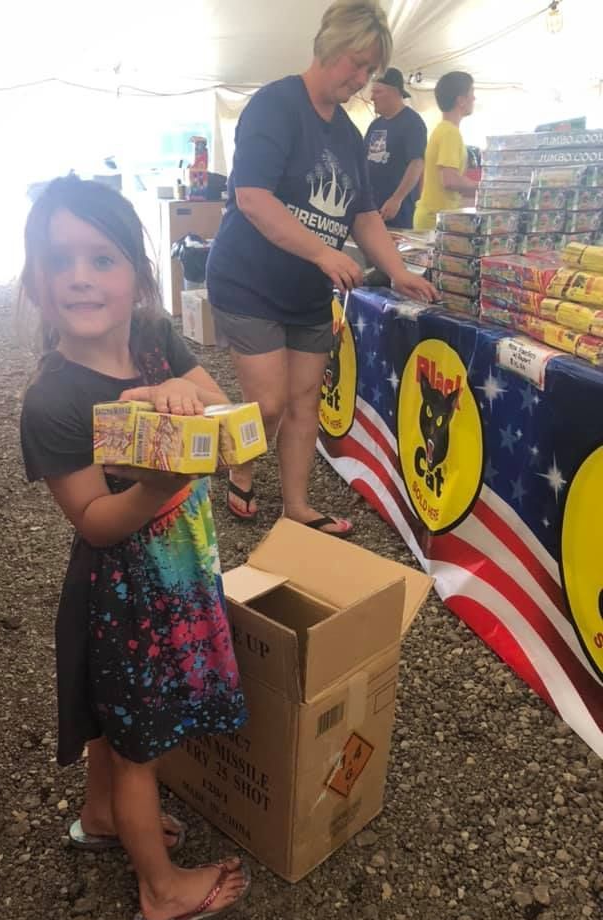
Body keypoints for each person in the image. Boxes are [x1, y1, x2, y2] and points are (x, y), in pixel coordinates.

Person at [18, 176, 250, 920]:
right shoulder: (53, 402)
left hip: (178, 572)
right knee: (137, 746)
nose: (80, 275)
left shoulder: (154, 335)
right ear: (35, 282)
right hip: (122, 598)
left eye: (103, 257)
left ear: (139, 277)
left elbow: (212, 391)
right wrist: (160, 482)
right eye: (60, 261)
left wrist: (173, 389)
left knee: (109, 725)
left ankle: (99, 818)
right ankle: (161, 891)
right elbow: (94, 521)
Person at [207, 0, 435, 538]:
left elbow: (362, 215)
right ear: (326, 46)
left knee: (305, 399)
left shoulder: (350, 136)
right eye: (355, 64)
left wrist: (397, 271)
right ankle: (238, 465)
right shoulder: (275, 106)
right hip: (249, 281)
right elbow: (253, 198)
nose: (360, 80)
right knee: (268, 402)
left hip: (307, 292)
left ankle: (297, 506)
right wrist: (322, 252)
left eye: (370, 71)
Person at [363, 67, 427, 228]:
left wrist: (396, 199)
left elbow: (417, 163)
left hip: (396, 212)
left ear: (395, 92)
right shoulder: (376, 125)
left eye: (377, 92)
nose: (372, 98)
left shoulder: (412, 123)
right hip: (371, 208)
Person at [413, 71, 477, 230]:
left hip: (435, 216)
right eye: (472, 93)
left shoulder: (443, 129)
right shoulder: (450, 133)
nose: (474, 98)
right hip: (436, 219)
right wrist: (485, 187)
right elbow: (450, 180)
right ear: (461, 100)